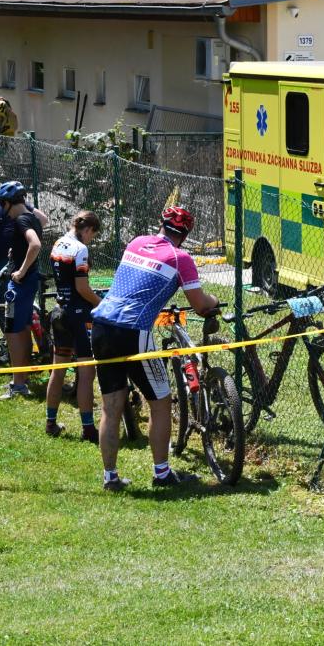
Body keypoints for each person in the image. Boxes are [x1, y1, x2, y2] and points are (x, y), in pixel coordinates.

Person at [91, 205, 220, 490]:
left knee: (111, 407)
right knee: (161, 401)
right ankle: (162, 474)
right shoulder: (180, 257)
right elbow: (200, 305)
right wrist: (214, 302)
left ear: (160, 224)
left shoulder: (137, 242)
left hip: (101, 325)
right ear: (185, 234)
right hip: (133, 330)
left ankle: (110, 477)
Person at [46, 210, 102, 443]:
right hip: (78, 316)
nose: (91, 240)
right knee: (87, 373)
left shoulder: (58, 243)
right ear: (87, 229)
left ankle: (50, 423)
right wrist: (100, 303)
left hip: (59, 312)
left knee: (58, 370)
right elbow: (82, 288)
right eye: (92, 235)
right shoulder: (80, 249)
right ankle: (88, 429)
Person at [0, 181, 44, 400]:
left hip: (20, 284)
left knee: (13, 332)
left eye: (1, 204)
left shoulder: (21, 220)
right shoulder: (32, 217)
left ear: (7, 203)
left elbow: (35, 244)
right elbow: (42, 223)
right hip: (29, 281)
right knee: (22, 329)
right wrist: (17, 251)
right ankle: (22, 378)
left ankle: (18, 385)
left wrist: (21, 270)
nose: (0, 208)